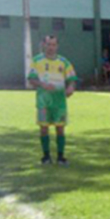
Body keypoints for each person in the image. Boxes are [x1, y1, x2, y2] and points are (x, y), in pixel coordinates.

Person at [27, 35, 77, 166]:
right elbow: (31, 79)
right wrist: (42, 85)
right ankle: (46, 156)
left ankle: (61, 157)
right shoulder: (37, 61)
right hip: (43, 101)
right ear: (44, 45)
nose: (51, 47)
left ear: (57, 46)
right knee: (44, 128)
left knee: (60, 128)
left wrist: (71, 88)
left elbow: (72, 78)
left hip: (59, 101)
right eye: (49, 44)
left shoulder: (63, 61)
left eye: (53, 45)